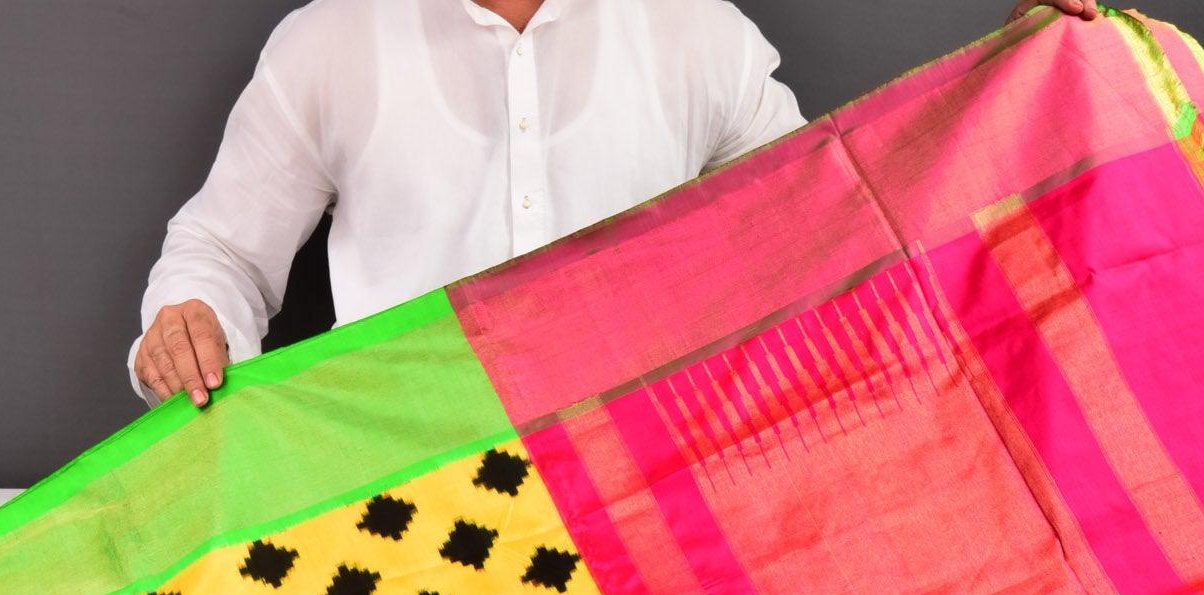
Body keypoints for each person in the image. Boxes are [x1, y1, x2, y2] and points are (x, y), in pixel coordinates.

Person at [130, 0, 1101, 408]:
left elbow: (836, 230)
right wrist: (189, 322)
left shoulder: (695, 31)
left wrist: (1010, 82)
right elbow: (222, 250)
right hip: (395, 499)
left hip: (646, 507)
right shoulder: (331, 41)